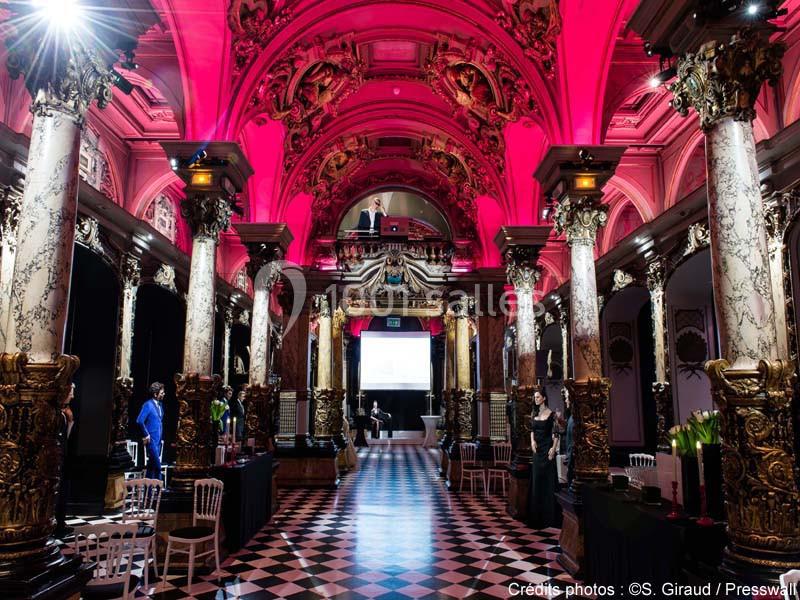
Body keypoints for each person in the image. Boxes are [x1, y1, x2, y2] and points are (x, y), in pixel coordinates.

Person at [527, 389, 560, 529]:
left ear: (544, 398)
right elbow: (532, 431)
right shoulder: (534, 413)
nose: (535, 399)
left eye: (538, 397)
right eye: (534, 397)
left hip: (547, 452)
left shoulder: (552, 415)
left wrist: (553, 449)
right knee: (537, 481)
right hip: (537, 451)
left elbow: (556, 433)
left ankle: (550, 517)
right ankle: (536, 516)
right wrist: (532, 442)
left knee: (548, 482)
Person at [54, 383, 76, 538]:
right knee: (59, 492)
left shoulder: (65, 414)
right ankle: (57, 525)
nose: (73, 396)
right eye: (71, 392)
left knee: (63, 491)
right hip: (58, 460)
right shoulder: (59, 415)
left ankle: (59, 522)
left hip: (64, 458)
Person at [137, 382, 165, 481]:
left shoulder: (160, 405)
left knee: (151, 467)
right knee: (158, 466)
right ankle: (159, 490)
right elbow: (140, 420)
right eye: (161, 393)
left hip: (158, 440)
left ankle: (148, 493)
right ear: (155, 394)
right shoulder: (148, 405)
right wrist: (146, 434)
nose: (163, 394)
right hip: (151, 440)